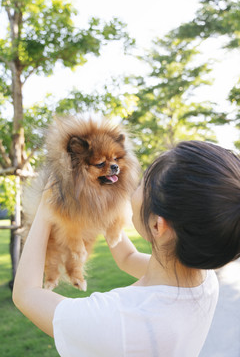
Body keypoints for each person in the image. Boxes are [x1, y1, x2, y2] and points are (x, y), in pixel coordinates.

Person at [13, 140, 240, 357]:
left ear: (157, 225)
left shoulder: (118, 320)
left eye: (142, 183)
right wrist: (100, 205)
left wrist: (48, 201)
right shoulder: (203, 279)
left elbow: (26, 294)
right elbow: (127, 257)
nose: (131, 186)